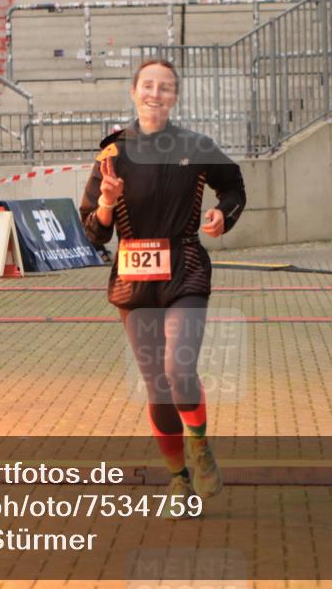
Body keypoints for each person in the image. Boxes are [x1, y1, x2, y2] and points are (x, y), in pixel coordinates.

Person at [79, 59, 246, 517]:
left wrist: (221, 215)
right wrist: (109, 204)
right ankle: (177, 479)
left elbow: (233, 189)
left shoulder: (195, 145)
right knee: (156, 387)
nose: (156, 93)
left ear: (175, 96)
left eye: (166, 87)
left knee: (178, 367)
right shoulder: (112, 153)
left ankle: (200, 445)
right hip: (134, 279)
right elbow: (92, 232)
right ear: (134, 92)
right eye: (148, 85)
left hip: (185, 269)